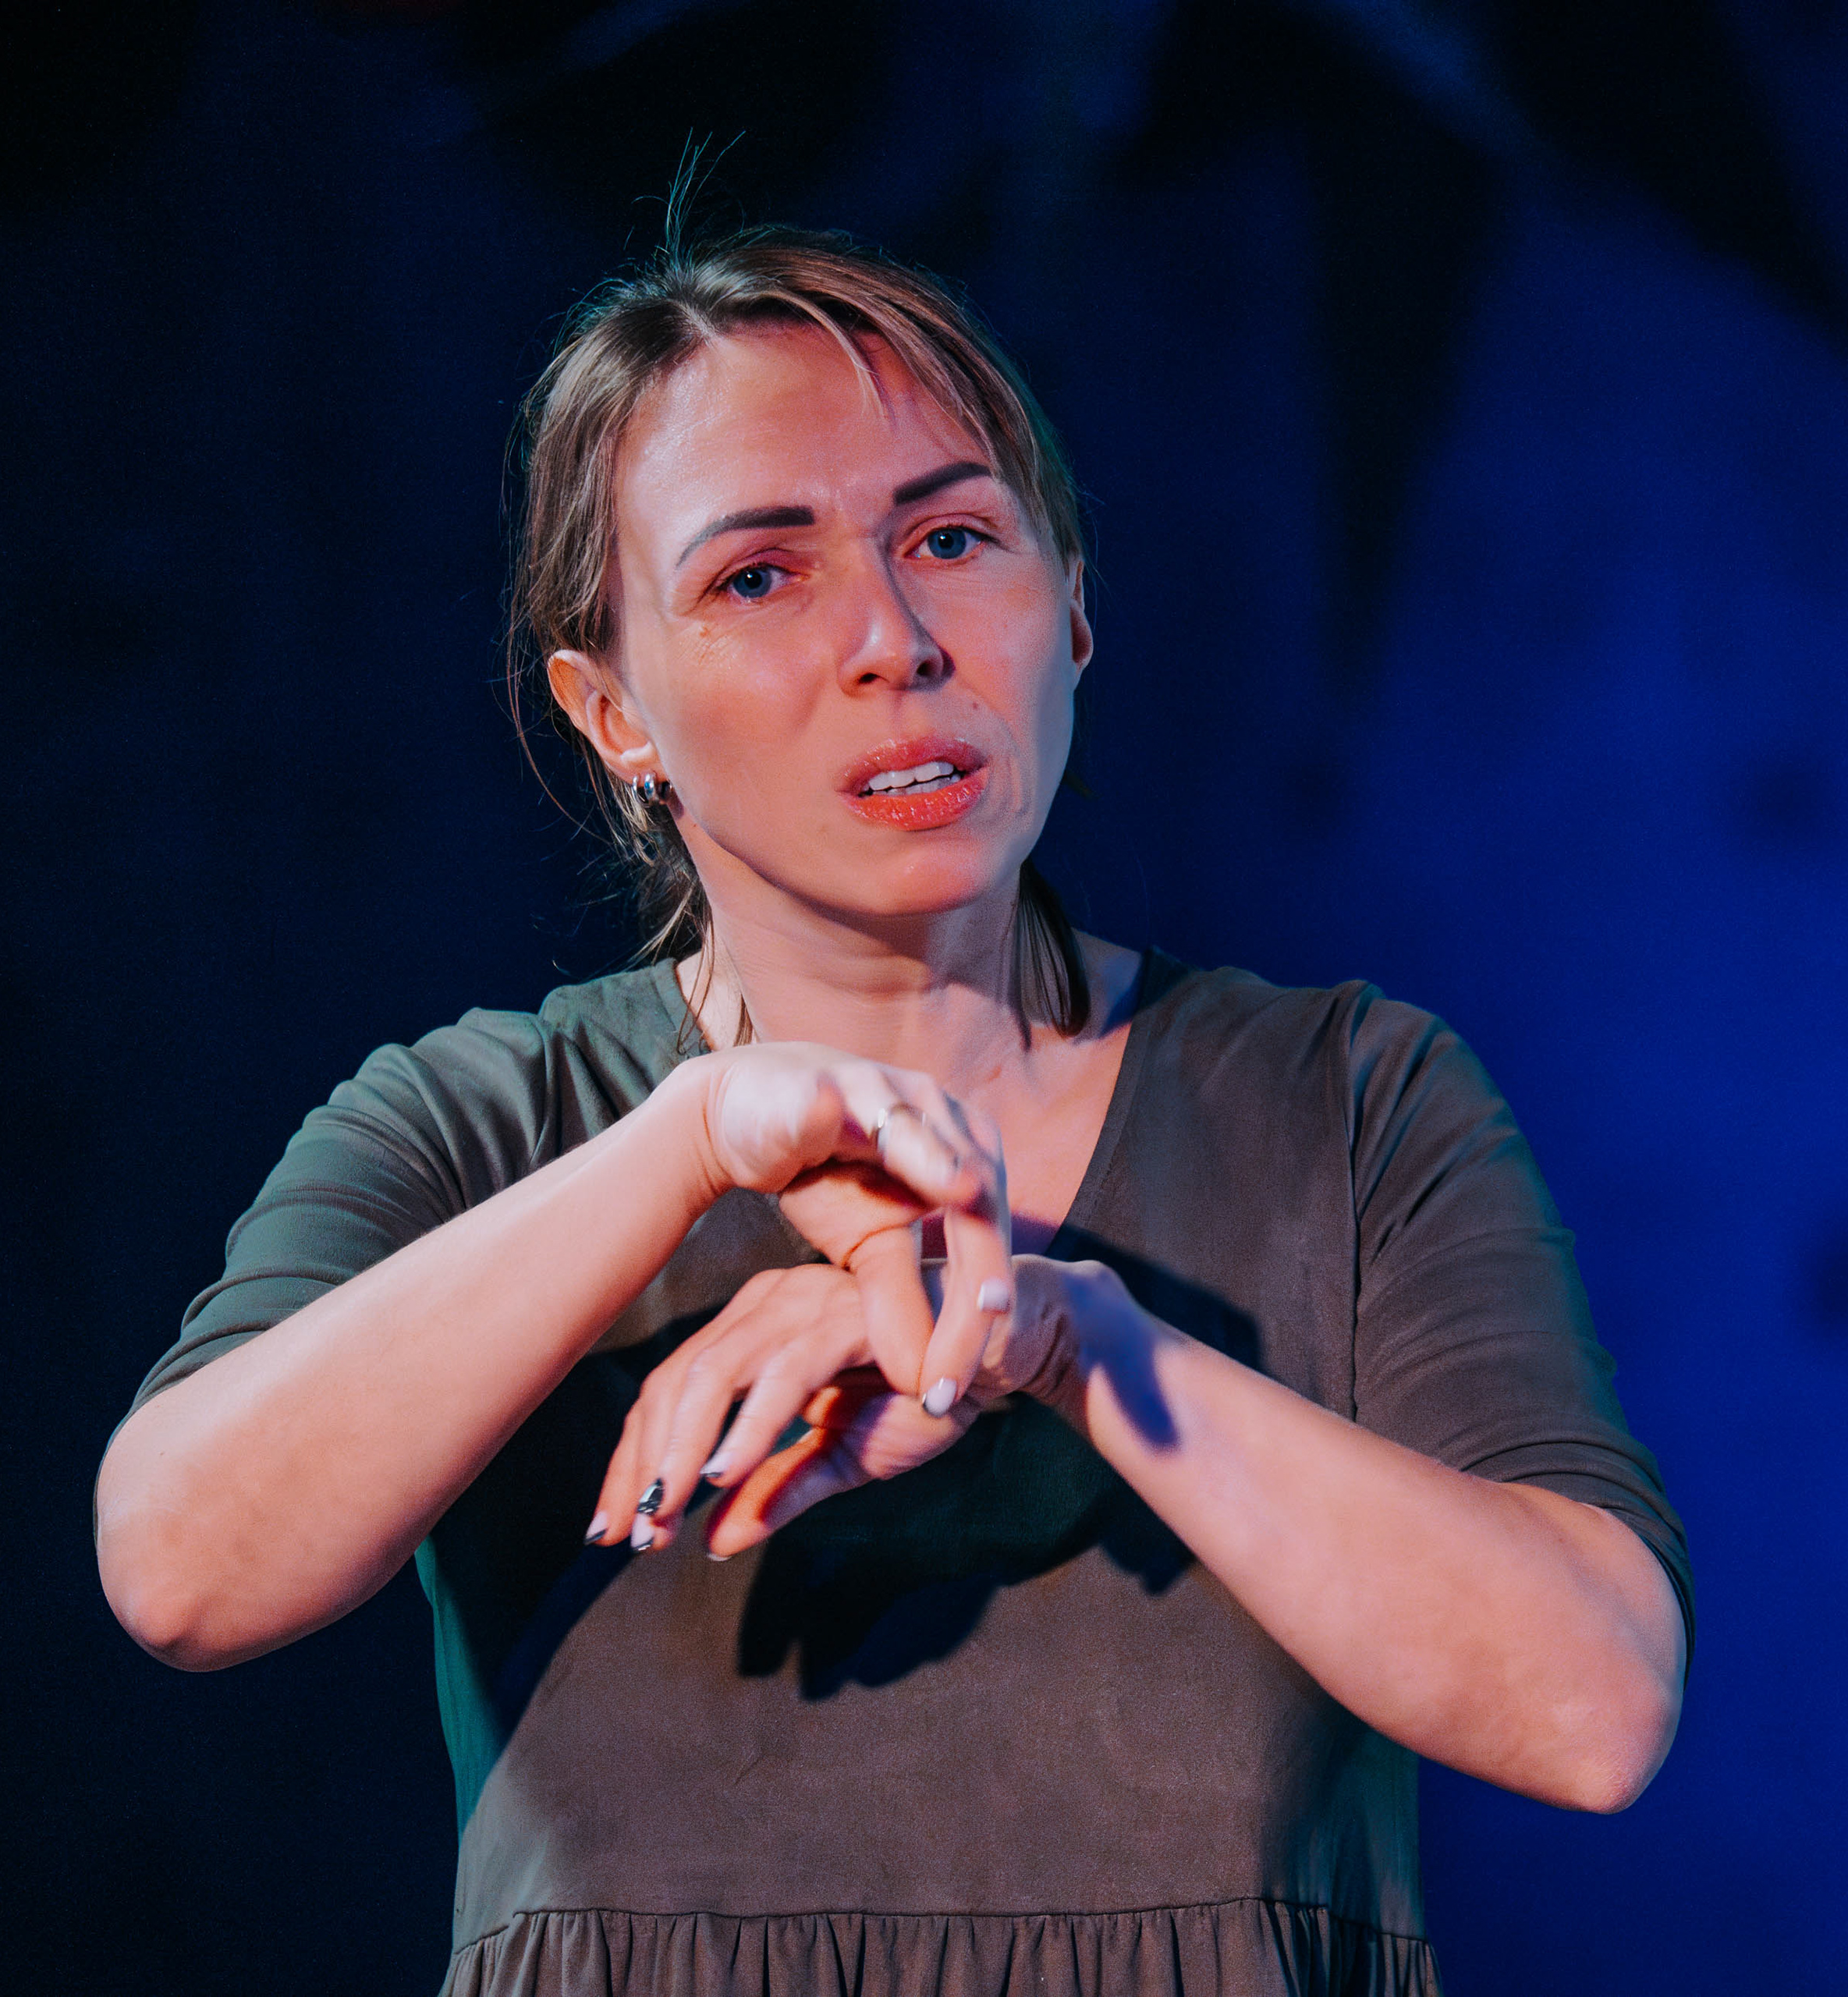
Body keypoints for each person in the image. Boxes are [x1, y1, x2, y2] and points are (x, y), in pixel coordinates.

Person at [94, 225, 1689, 1997]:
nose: (893, 641)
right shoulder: (482, 1125)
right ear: (611, 710)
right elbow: (182, 1567)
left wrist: (1072, 1340)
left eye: (949, 539)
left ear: (1072, 605)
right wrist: (694, 1137)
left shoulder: (1349, 1101)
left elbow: (1592, 1707)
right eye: (758, 576)